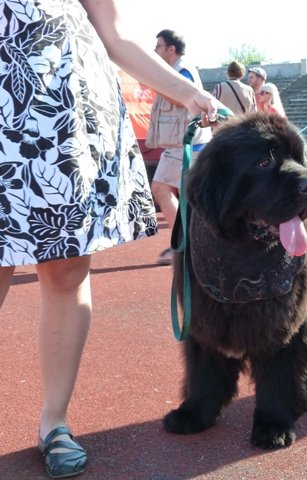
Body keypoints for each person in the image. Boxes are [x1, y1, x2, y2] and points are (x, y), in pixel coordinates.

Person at [0, 2, 225, 478]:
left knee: (66, 268)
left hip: (61, 112)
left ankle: (53, 423)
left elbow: (114, 33)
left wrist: (188, 93)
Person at [146, 29, 212, 265]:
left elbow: (183, 98)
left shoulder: (181, 71)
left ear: (171, 49)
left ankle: (181, 245)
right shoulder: (178, 70)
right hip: (187, 142)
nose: (155, 50)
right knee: (185, 196)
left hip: (184, 143)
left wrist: (155, 84)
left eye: (159, 46)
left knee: (160, 189)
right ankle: (193, 246)